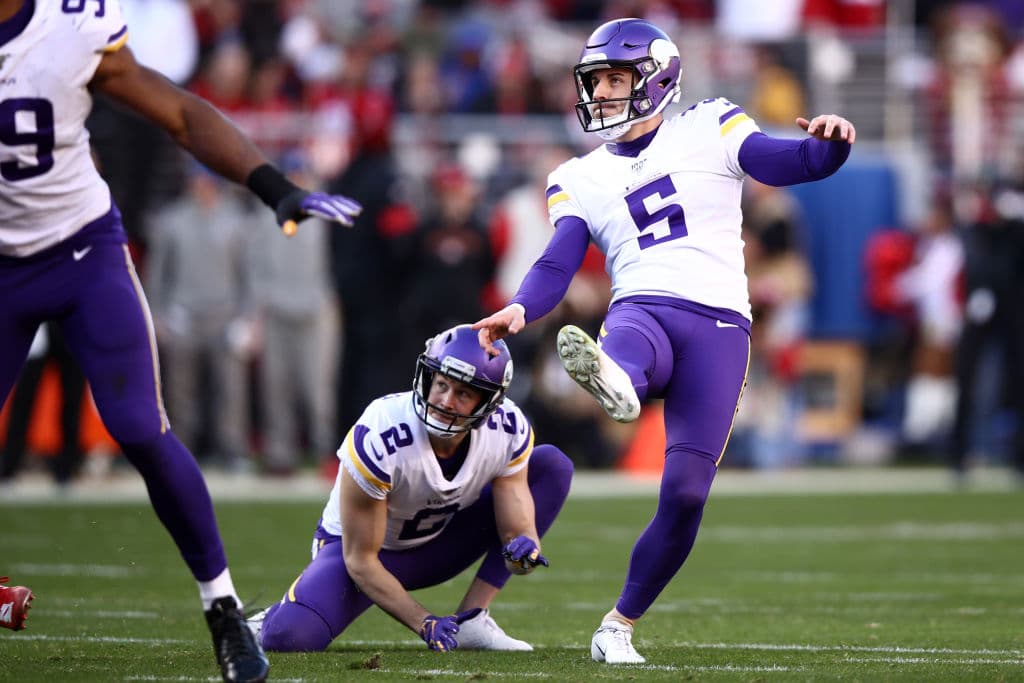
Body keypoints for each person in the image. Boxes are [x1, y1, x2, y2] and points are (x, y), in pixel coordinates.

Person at [473, 18, 855, 664]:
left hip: (720, 327)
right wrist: (518, 308)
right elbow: (556, 262)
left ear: (656, 80)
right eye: (597, 81)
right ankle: (615, 377)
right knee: (628, 346)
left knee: (684, 495)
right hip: (642, 305)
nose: (603, 94)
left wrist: (831, 145)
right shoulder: (578, 175)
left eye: (616, 79)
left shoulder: (710, 123)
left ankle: (617, 624)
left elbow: (789, 161)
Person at [0, 1, 361, 681]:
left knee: (140, 426)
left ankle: (222, 608)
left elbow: (179, 112)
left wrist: (271, 184)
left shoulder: (71, 23)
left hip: (81, 255)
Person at [251, 324, 573, 654]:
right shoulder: (384, 429)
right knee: (289, 637)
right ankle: (264, 619)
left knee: (551, 466)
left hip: (439, 541)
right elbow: (360, 560)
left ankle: (472, 618)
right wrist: (424, 621)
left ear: (488, 402)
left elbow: (516, 536)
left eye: (463, 393)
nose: (446, 401)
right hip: (358, 552)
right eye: (442, 384)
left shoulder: (508, 428)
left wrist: (524, 553)